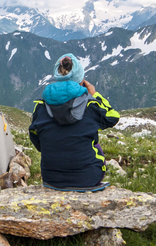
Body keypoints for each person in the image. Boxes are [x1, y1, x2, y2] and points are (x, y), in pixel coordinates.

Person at [29, 53, 120, 189]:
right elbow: (113, 117)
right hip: (88, 177)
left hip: (51, 178)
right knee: (95, 145)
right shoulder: (90, 105)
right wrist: (95, 95)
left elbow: (34, 135)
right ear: (81, 79)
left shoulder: (41, 106)